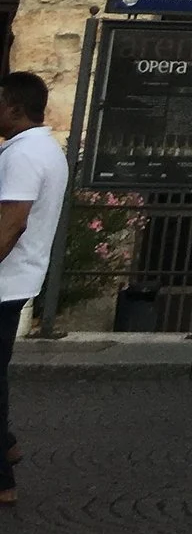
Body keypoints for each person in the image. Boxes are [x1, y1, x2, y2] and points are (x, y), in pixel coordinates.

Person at [0, 71, 70, 507]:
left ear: (14, 107)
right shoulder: (43, 148)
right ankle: (5, 443)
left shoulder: (23, 156)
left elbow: (12, 221)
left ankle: (2, 477)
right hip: (19, 277)